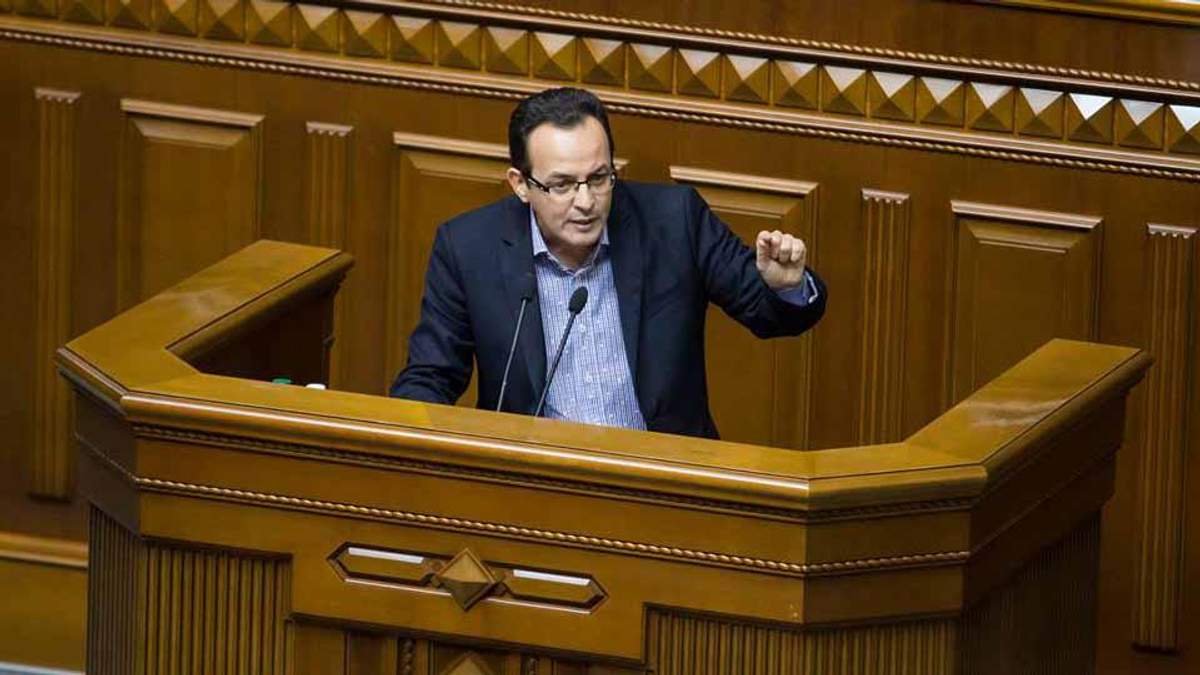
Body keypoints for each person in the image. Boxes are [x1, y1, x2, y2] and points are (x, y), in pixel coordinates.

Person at [390, 87, 826, 439]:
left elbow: (768, 313)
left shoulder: (674, 221)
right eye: (562, 185)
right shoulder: (468, 247)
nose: (586, 202)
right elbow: (430, 377)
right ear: (521, 184)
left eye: (599, 178)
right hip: (532, 486)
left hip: (666, 480)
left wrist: (784, 285)